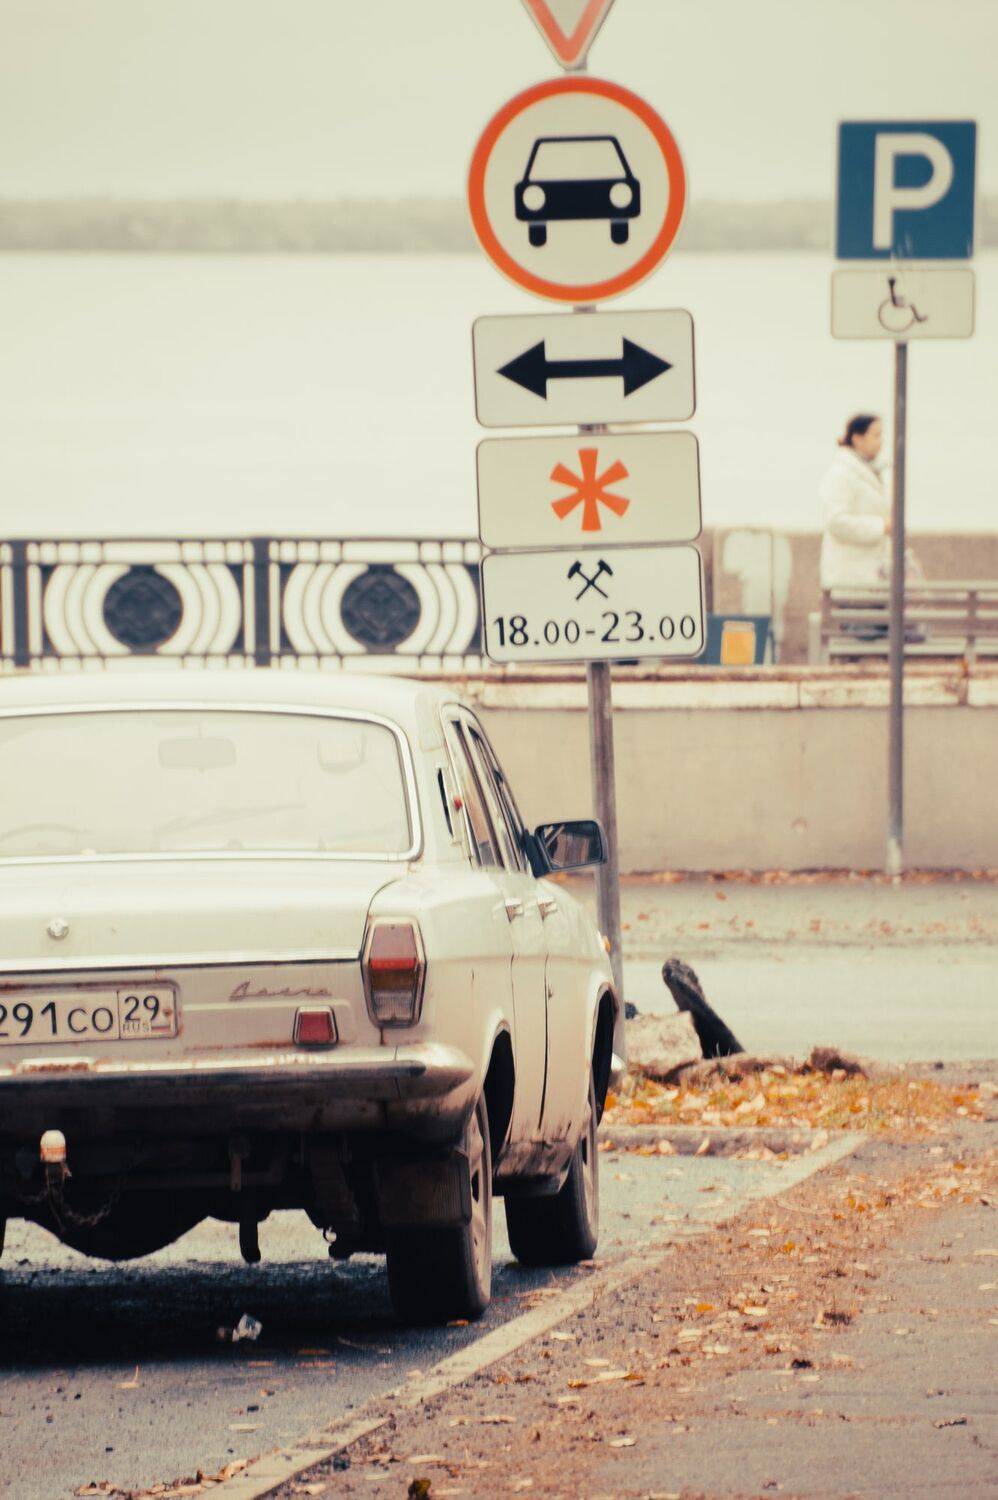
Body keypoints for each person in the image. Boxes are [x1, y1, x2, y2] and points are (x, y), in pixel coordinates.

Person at [818, 414, 890, 588]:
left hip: (870, 574)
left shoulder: (870, 472)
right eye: (876, 435)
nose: (881, 441)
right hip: (849, 577)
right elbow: (836, 521)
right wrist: (881, 526)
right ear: (858, 439)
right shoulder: (841, 474)